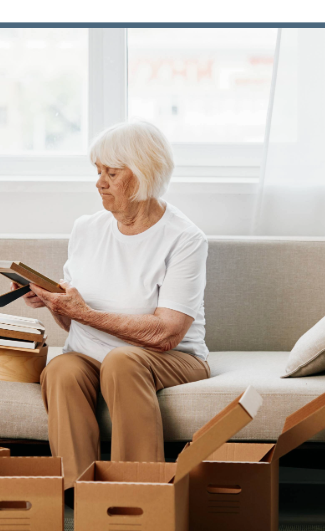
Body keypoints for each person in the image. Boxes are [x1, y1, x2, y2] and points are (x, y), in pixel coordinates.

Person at [20, 119, 210, 506]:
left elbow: (168, 333)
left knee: (122, 362)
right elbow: (73, 322)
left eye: (111, 173)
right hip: (91, 354)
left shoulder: (184, 238)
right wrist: (56, 303)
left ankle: (137, 496)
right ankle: (81, 498)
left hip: (169, 357)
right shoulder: (86, 229)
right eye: (98, 172)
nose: (99, 183)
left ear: (143, 174)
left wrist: (85, 313)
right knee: (60, 370)